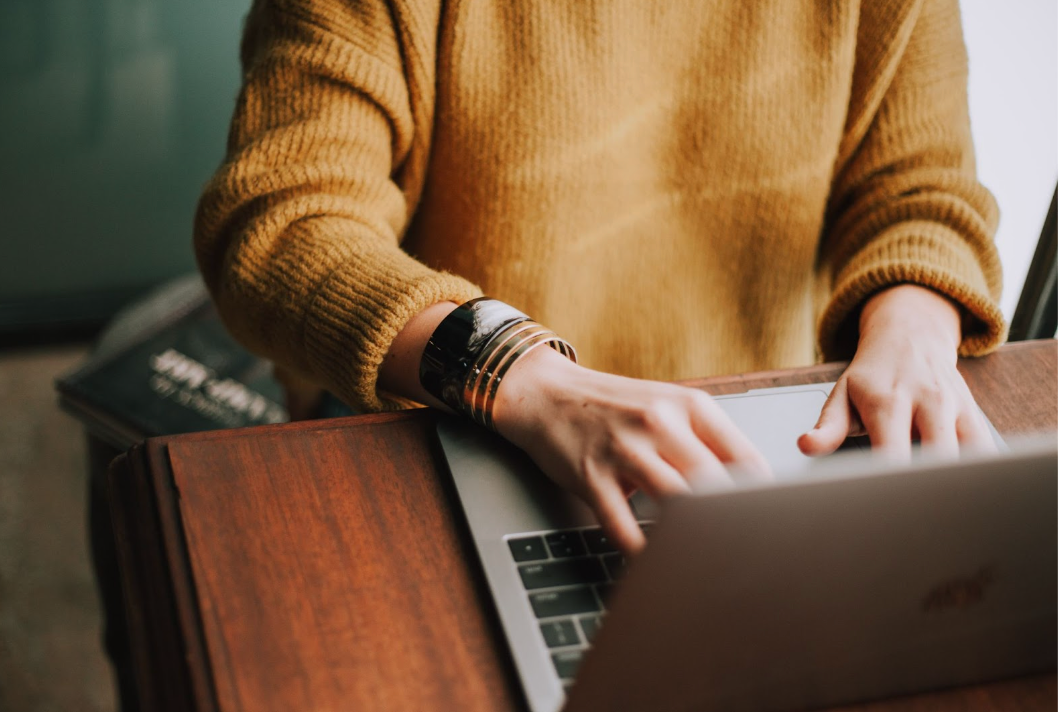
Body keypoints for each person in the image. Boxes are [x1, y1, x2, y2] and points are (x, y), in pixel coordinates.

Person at [194, 0, 1005, 554]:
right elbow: (281, 221)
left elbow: (922, 190)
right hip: (449, 423)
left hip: (754, 449)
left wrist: (915, 323)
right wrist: (518, 374)